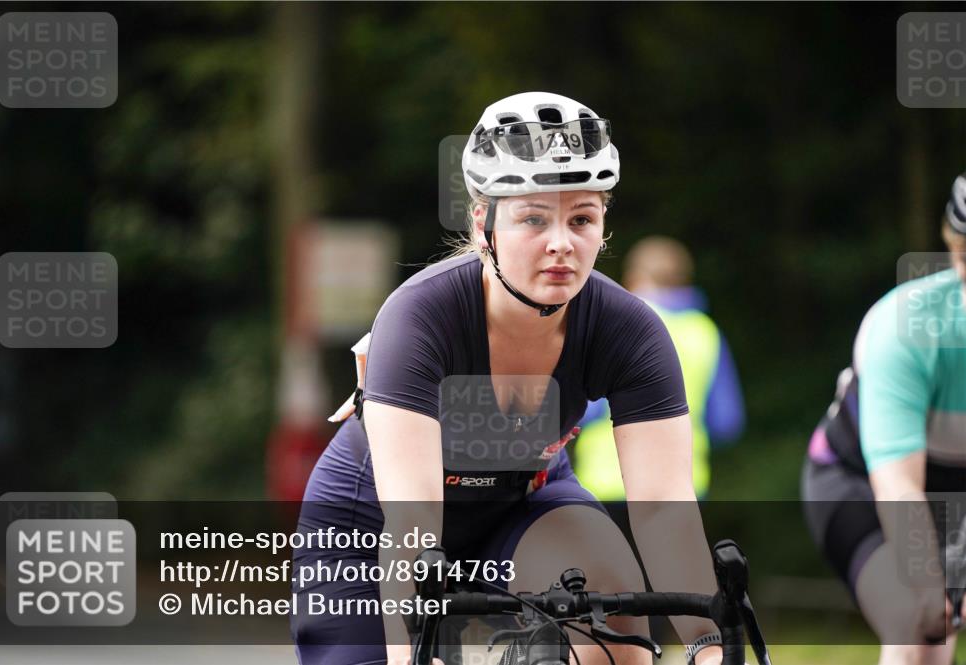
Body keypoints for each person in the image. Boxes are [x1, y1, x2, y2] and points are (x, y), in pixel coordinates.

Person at [291, 92, 729, 665]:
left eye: (582, 219)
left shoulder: (630, 329)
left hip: (522, 502)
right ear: (483, 223)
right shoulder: (420, 316)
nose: (560, 244)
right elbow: (414, 516)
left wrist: (707, 644)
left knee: (614, 618)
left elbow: (664, 506)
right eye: (532, 218)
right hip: (375, 517)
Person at [801, 172, 966, 665]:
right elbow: (897, 484)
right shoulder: (906, 328)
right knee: (920, 628)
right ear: (956, 254)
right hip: (860, 481)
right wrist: (930, 587)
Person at [574, 236, 746, 500]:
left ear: (633, 278)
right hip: (682, 487)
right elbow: (726, 422)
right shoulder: (707, 333)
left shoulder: (618, 324)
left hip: (608, 483)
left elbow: (584, 409)